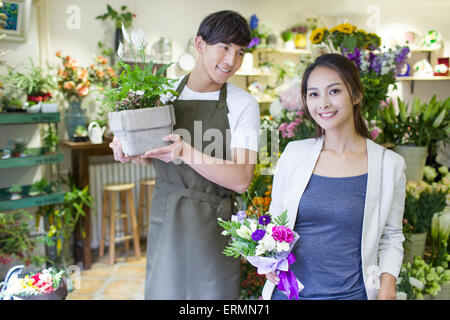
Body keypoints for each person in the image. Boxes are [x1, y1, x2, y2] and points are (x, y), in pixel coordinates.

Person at [110, 10, 260, 299]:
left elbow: (241, 178)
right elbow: (147, 152)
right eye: (224, 47)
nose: (231, 61)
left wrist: (186, 151)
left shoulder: (244, 104)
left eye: (240, 52)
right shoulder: (162, 92)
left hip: (215, 223)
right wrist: (126, 147)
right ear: (200, 44)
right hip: (168, 216)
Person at [262, 53, 406, 300]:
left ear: (356, 95)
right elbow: (277, 216)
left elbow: (391, 235)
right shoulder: (294, 154)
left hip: (351, 294)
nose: (323, 103)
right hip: (288, 293)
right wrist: (267, 257)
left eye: (335, 91)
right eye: (314, 94)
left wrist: (387, 286)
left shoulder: (389, 165)